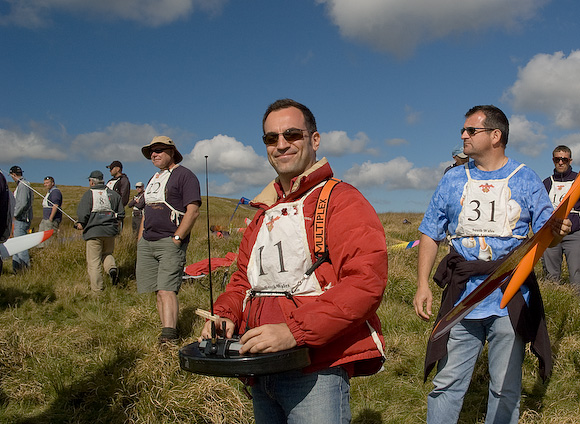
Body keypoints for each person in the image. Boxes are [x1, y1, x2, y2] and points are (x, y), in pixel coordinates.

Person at [200, 99, 388, 423]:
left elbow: (365, 282)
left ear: (314, 140)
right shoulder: (261, 215)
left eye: (291, 134)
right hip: (258, 366)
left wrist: (293, 331)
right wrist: (225, 314)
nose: (281, 144)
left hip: (315, 370)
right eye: (271, 138)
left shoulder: (342, 200)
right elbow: (244, 283)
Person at [413, 105, 571, 424]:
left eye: (471, 130)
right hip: (462, 299)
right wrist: (422, 283)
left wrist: (558, 231)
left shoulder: (525, 177)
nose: (463, 136)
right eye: (464, 130)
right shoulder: (453, 179)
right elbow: (430, 233)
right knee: (446, 385)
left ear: (495, 136)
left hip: (509, 296)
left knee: (504, 389)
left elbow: (546, 237)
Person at [137, 136, 201, 345]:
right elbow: (146, 211)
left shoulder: (185, 176)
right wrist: (140, 240)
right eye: (152, 152)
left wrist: (177, 237)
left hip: (169, 242)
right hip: (147, 242)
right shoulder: (153, 180)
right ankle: (165, 329)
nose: (154, 154)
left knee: (167, 289)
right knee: (158, 290)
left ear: (171, 152)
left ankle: (169, 337)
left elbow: (193, 210)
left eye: (159, 150)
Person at [75, 170, 125, 293]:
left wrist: (80, 224)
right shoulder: (114, 195)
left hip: (93, 233)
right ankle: (112, 269)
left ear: (92, 181)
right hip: (110, 232)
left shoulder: (88, 195)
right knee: (107, 254)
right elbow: (121, 214)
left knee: (94, 262)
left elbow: (83, 215)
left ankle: (97, 291)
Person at [541, 145, 580, 288]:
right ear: (553, 160)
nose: (561, 162)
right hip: (551, 234)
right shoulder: (547, 182)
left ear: (570, 160)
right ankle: (554, 303)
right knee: (551, 275)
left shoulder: (578, 181)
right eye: (557, 159)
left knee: (577, 274)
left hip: (574, 234)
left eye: (564, 159)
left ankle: (576, 305)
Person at [9, 166, 33, 272]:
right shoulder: (22, 185)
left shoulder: (23, 185)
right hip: (20, 219)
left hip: (21, 219)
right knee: (16, 246)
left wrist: (14, 214)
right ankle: (16, 270)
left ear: (13, 174)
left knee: (20, 246)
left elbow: (22, 203)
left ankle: (25, 270)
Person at [38, 176, 63, 247]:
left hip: (51, 220)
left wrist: (50, 219)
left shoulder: (55, 192)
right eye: (44, 183)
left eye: (47, 183)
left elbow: (55, 205)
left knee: (49, 239)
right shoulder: (49, 192)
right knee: (42, 238)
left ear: (52, 183)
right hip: (45, 219)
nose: (45, 184)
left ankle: (49, 252)